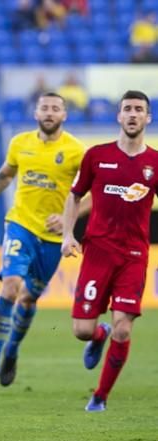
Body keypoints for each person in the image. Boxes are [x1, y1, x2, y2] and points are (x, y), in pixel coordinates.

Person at [0, 93, 86, 388]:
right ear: (35, 112)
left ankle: (11, 350)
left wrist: (67, 221)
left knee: (28, 297)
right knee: (11, 287)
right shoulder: (20, 143)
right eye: (44, 107)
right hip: (20, 224)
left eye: (55, 108)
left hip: (52, 238)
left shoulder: (76, 151)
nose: (49, 112)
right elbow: (6, 172)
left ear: (64, 115)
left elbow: (93, 195)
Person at [61, 90, 157, 412]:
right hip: (98, 251)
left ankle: (100, 396)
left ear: (147, 118)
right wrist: (67, 235)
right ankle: (97, 334)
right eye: (127, 109)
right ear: (118, 116)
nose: (132, 114)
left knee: (124, 326)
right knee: (81, 331)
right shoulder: (96, 155)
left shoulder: (155, 163)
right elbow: (74, 196)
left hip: (134, 256)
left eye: (138, 110)